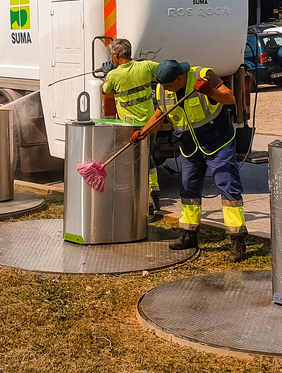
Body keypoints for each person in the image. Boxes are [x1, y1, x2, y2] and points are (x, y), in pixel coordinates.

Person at [133, 59, 248, 261]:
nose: (164, 88)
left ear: (180, 78)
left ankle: (237, 239)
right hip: (189, 147)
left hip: (217, 142)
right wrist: (143, 132)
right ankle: (189, 234)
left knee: (227, 186)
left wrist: (209, 92)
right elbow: (161, 112)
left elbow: (230, 99)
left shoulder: (204, 76)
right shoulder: (163, 89)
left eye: (168, 85)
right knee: (188, 191)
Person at [101, 38, 161, 216]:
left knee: (136, 162)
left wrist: (107, 73)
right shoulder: (147, 67)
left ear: (115, 55)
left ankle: (145, 199)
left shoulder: (113, 75)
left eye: (112, 55)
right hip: (151, 123)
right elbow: (163, 72)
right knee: (148, 157)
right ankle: (155, 192)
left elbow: (105, 91)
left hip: (130, 126)